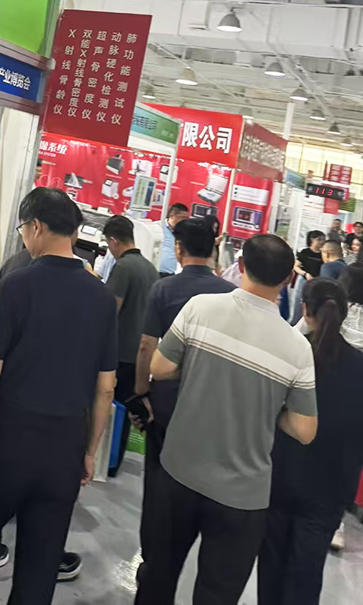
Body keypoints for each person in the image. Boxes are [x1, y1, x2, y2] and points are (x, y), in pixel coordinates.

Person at [0, 188, 117, 605]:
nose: (24, 237)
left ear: (37, 227)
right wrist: (89, 451)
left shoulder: (17, 284)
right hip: (65, 443)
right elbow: (106, 387)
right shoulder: (100, 296)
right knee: (42, 558)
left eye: (23, 228)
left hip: (6, 438)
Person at [135, 234, 317, 605]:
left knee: (158, 576)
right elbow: (304, 429)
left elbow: (160, 367)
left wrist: (199, 372)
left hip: (179, 474)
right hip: (242, 496)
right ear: (288, 280)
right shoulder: (297, 348)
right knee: (218, 594)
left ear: (242, 266)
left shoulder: (200, 308)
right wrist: (269, 404)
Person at [133, 219, 234, 567]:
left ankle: (153, 557)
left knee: (158, 480)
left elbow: (146, 344)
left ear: (178, 249)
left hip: (167, 401)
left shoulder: (164, 289)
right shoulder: (229, 294)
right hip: (211, 402)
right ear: (213, 250)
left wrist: (142, 393)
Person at [258, 280, 363, 605]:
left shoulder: (288, 353)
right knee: (307, 572)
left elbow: (262, 410)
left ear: (305, 310)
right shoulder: (359, 366)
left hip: (281, 477)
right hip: (332, 488)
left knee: (271, 566)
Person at [104, 214, 159, 470]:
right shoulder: (150, 269)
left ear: (113, 240)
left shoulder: (123, 268)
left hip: (117, 352)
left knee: (107, 407)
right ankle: (114, 462)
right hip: (139, 354)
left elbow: (110, 311)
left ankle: (103, 460)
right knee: (126, 412)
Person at [158, 202, 189, 276]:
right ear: (172, 216)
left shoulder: (183, 232)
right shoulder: (158, 226)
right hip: (155, 270)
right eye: (182, 217)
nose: (184, 221)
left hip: (170, 272)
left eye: (186, 218)